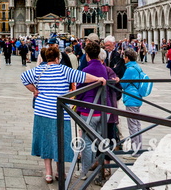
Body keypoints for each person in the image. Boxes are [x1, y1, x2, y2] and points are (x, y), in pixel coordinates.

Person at [22, 44, 107, 184]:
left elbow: (24, 77)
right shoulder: (63, 69)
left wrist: (34, 90)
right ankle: (60, 171)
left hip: (42, 111)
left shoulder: (39, 70)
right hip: (59, 113)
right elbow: (82, 76)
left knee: (46, 141)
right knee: (60, 142)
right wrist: (98, 79)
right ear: (57, 58)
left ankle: (48, 173)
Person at [76, 41, 119, 177]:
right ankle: (99, 171)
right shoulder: (103, 69)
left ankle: (84, 173)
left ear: (87, 55)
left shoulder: (86, 70)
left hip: (89, 111)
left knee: (87, 142)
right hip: (103, 110)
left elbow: (80, 90)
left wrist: (76, 101)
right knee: (99, 140)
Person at [120, 49, 145, 153]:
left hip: (131, 98)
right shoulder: (137, 67)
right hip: (137, 97)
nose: (123, 59)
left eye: (124, 57)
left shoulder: (130, 69)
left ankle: (135, 150)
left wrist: (119, 80)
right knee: (137, 124)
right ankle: (138, 148)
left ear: (127, 57)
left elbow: (123, 84)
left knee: (132, 125)